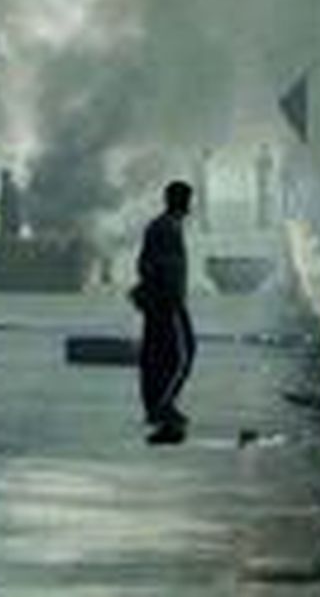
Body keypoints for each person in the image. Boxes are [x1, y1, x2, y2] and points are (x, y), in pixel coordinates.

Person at [132, 180, 196, 445]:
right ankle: (162, 406)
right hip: (166, 304)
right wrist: (168, 298)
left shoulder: (163, 226)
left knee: (158, 356)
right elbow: (155, 267)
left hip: (162, 303)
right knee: (179, 355)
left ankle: (160, 405)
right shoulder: (165, 228)